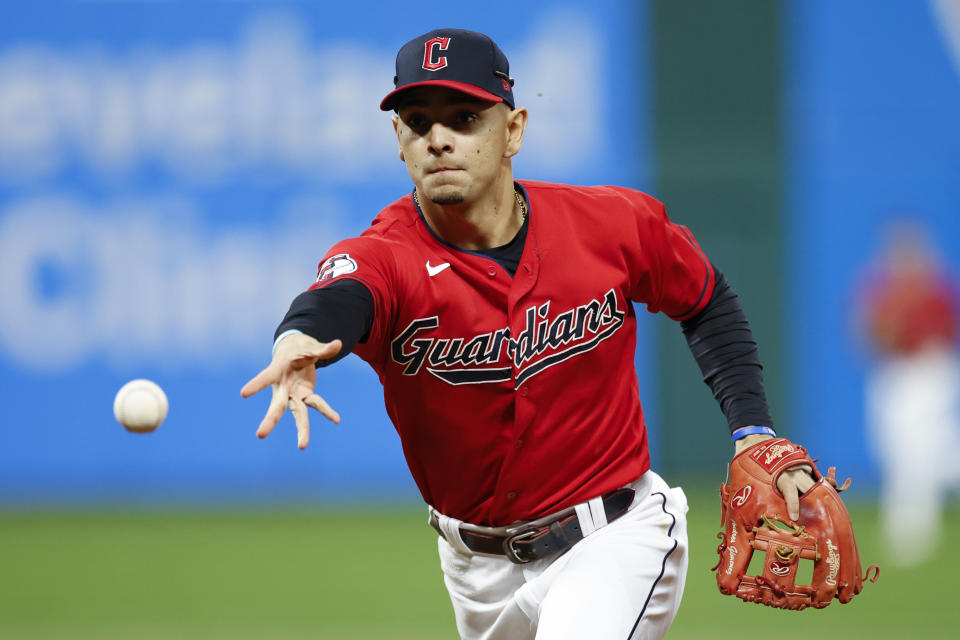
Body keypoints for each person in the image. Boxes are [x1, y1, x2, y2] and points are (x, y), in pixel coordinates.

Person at [241, 28, 813, 639]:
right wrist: (297, 341)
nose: (439, 139)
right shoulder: (387, 256)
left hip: (615, 535)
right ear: (399, 142)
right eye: (417, 120)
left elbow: (705, 298)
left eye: (464, 117)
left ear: (513, 130)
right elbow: (337, 298)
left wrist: (752, 430)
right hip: (476, 570)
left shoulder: (609, 224)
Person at [857, 221, 960, 566]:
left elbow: (945, 333)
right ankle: (909, 527)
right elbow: (868, 333)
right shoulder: (883, 289)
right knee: (899, 448)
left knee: (916, 454)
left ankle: (911, 531)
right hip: (893, 372)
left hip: (928, 371)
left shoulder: (934, 287)